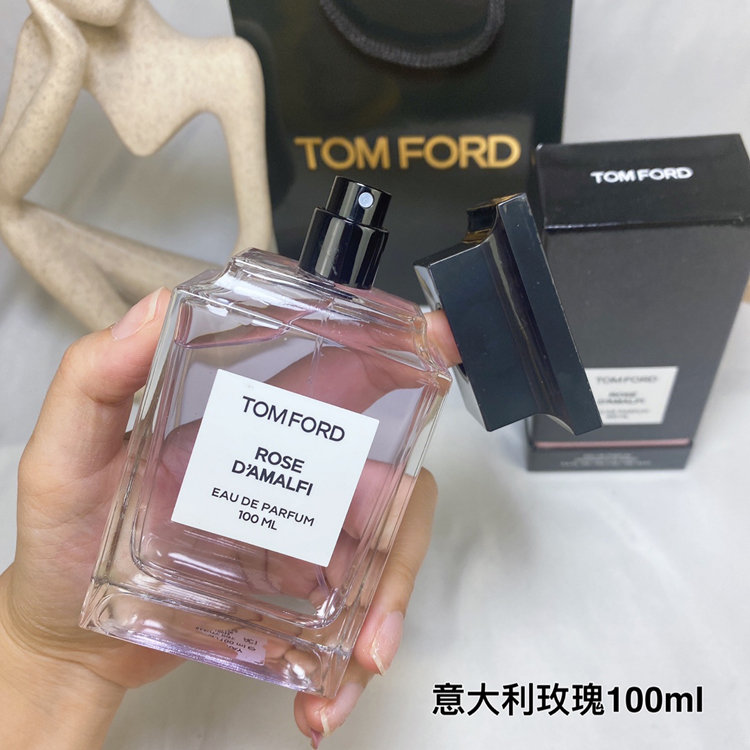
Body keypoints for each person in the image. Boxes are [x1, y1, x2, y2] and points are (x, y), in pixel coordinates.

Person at [0, 289, 461, 748]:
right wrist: (44, 652)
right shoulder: (215, 303)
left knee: (386, 508)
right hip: (109, 604)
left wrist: (48, 659)